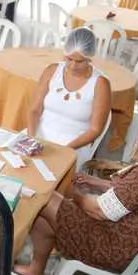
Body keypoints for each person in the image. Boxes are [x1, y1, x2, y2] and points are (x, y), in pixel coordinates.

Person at [12, 95, 138, 275]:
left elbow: (100, 211)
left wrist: (70, 192)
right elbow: (137, 194)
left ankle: (12, 265)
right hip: (131, 238)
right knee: (48, 203)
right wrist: (97, 183)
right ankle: (35, 272)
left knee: (43, 197)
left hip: (114, 246)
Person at [27, 27, 111, 169]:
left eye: (80, 61)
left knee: (49, 173)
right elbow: (34, 109)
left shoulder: (100, 84)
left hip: (74, 145)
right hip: (39, 135)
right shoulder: (52, 70)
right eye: (69, 59)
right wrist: (31, 137)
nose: (72, 65)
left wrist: (64, 149)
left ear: (90, 58)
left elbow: (95, 130)